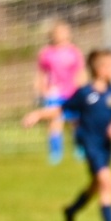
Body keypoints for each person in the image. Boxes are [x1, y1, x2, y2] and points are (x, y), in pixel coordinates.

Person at [21, 48, 111, 221]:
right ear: (100, 69)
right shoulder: (84, 93)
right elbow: (60, 110)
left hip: (106, 148)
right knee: (107, 183)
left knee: (96, 186)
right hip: (91, 146)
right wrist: (37, 115)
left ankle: (71, 210)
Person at [35, 20, 85, 165]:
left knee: (76, 121)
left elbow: (80, 72)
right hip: (54, 92)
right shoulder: (46, 52)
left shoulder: (74, 51)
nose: (61, 35)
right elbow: (41, 73)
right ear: (52, 35)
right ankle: (56, 153)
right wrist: (41, 89)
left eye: (64, 31)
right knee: (54, 122)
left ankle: (80, 149)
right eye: (58, 32)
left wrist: (82, 90)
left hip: (72, 91)